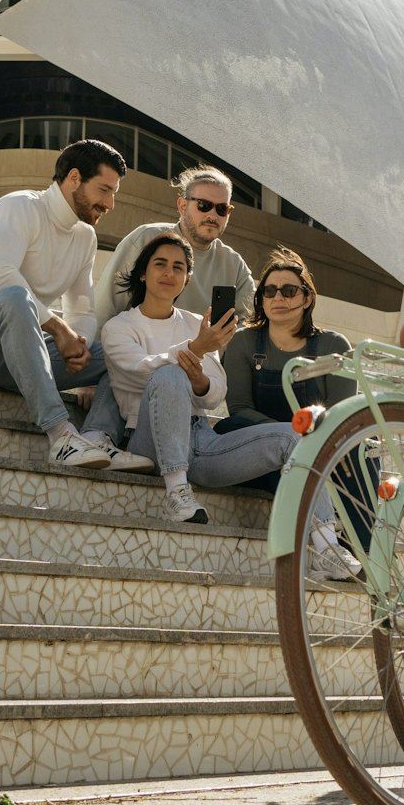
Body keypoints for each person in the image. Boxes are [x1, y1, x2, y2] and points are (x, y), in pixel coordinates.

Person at [0, 139, 153, 473]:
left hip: (14, 358)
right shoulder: (20, 207)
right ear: (74, 178)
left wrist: (81, 343)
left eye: (114, 193)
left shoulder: (85, 238)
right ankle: (61, 435)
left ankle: (97, 437)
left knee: (116, 354)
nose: (110, 203)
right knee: (15, 298)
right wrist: (59, 329)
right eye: (104, 190)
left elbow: (83, 311)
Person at [101, 232, 299, 525]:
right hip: (149, 443)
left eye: (178, 267)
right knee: (169, 374)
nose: (169, 272)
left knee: (296, 439)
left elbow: (216, 394)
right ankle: (177, 492)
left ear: (187, 278)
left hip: (201, 440)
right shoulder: (118, 327)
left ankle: (324, 541)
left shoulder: (196, 324)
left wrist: (199, 381)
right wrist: (195, 349)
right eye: (160, 264)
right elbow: (139, 369)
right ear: (143, 273)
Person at [84, 166, 256, 449]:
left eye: (222, 209)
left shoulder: (233, 264)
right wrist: (89, 376)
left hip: (188, 371)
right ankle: (97, 436)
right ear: (181, 204)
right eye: (203, 205)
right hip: (133, 353)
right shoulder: (147, 239)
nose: (212, 215)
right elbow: (106, 303)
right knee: (124, 366)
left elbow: (251, 324)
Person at [219, 248, 360, 579]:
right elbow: (239, 409)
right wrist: (289, 434)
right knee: (232, 426)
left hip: (321, 446)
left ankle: (359, 552)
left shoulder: (332, 345)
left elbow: (342, 414)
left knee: (361, 455)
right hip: (261, 447)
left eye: (289, 290)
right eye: (269, 291)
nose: (277, 297)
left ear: (308, 298)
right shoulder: (243, 342)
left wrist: (308, 441)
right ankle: (327, 546)